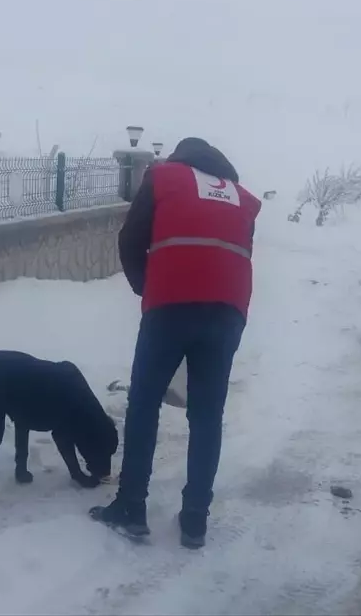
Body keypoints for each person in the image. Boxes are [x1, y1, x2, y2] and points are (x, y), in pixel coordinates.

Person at [89, 136, 261, 549]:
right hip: (227, 311)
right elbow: (240, 253)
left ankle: (131, 506)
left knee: (144, 402)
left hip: (170, 306)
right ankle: (196, 519)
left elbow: (131, 240)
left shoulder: (163, 177)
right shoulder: (242, 198)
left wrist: (147, 289)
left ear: (180, 157)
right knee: (207, 414)